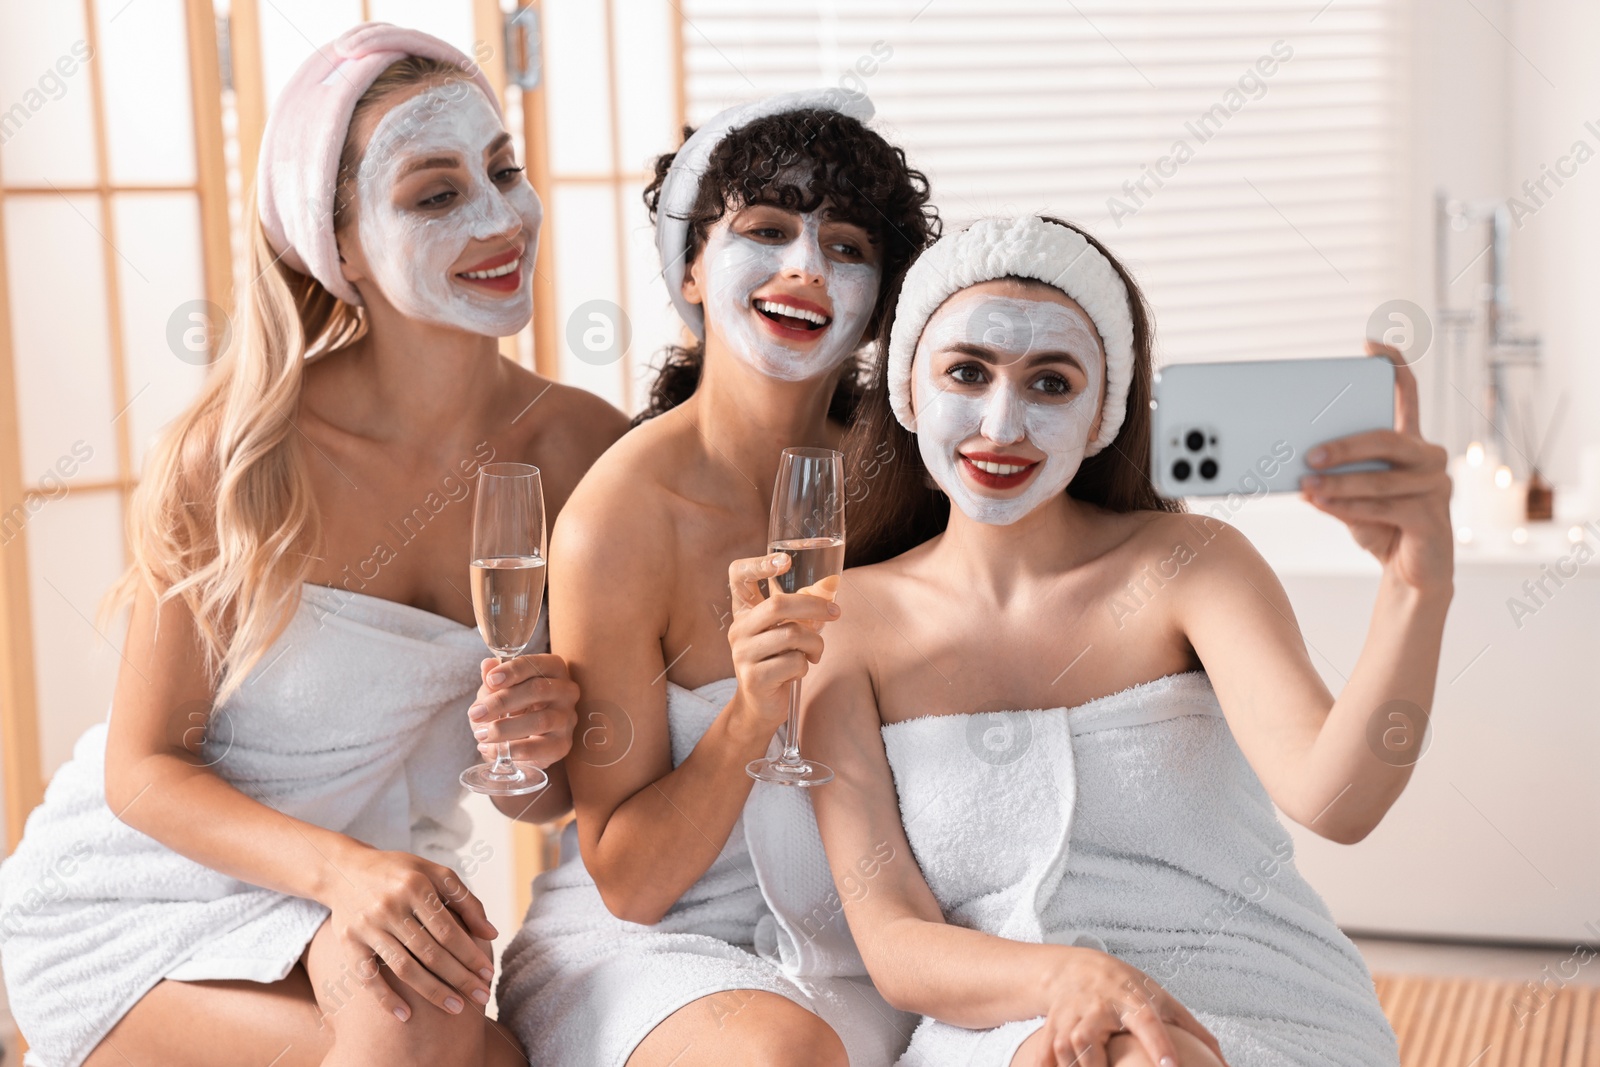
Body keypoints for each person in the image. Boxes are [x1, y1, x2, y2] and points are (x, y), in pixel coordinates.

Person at [0, 24, 626, 1067]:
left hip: (362, 888)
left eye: (503, 170)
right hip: (146, 892)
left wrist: (536, 750)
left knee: (457, 1032)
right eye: (435, 193)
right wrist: (341, 871)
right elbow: (144, 768)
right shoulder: (243, 455)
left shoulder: (584, 449)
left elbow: (550, 796)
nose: (497, 215)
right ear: (338, 251)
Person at [799, 215, 1451, 1066]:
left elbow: (1340, 799)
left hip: (1253, 999)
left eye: (1052, 383)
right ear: (910, 390)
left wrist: (1415, 588)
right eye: (967, 371)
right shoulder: (842, 624)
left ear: (1104, 412)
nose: (1002, 423)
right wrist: (1073, 978)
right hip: (1004, 1012)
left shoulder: (1191, 564)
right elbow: (892, 937)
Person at [493, 90, 939, 1066]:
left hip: (864, 939)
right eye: (767, 228)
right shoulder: (618, 520)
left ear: (877, 307)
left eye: (849, 246)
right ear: (692, 268)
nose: (805, 267)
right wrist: (748, 708)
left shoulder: (901, 480)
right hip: (654, 946)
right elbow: (631, 880)